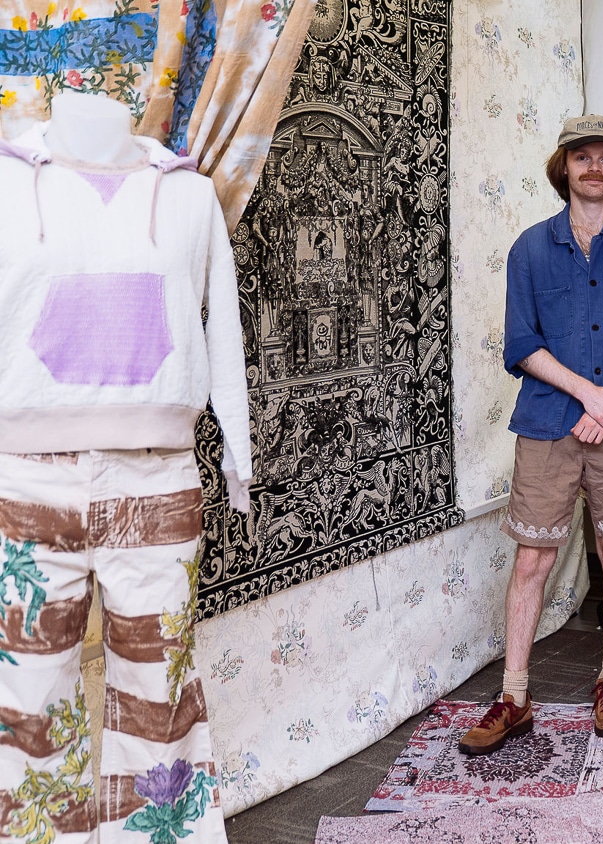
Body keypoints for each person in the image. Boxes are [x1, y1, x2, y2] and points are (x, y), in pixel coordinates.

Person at [0, 90, 251, 843]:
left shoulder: (189, 194)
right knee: (29, 698)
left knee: (159, 696)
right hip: (24, 480)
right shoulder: (8, 184)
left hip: (158, 476)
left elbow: (222, 317)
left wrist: (236, 453)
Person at [459, 115, 603, 755]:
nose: (594, 167)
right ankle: (515, 695)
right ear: (564, 167)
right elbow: (521, 344)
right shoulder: (530, 248)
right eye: (581, 156)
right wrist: (591, 395)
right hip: (549, 423)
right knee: (533, 557)